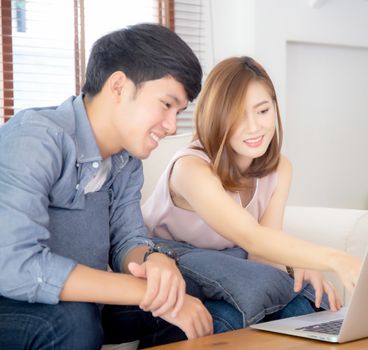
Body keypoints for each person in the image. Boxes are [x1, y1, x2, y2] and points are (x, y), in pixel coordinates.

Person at [0, 23, 217, 349]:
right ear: (118, 86)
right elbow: (17, 266)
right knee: (72, 323)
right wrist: (144, 291)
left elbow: (127, 242)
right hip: (12, 298)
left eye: (179, 112)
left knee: (183, 295)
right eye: (166, 104)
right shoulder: (36, 137)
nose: (172, 126)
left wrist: (154, 260)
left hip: (82, 300)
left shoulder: (127, 161)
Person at [142, 56, 362, 330]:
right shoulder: (191, 168)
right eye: (238, 115)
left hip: (234, 279)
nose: (255, 127)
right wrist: (333, 259)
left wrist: (297, 266)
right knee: (233, 316)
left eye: (262, 111)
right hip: (174, 278)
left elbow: (262, 255)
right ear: (217, 117)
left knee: (304, 306)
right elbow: (253, 239)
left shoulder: (279, 168)